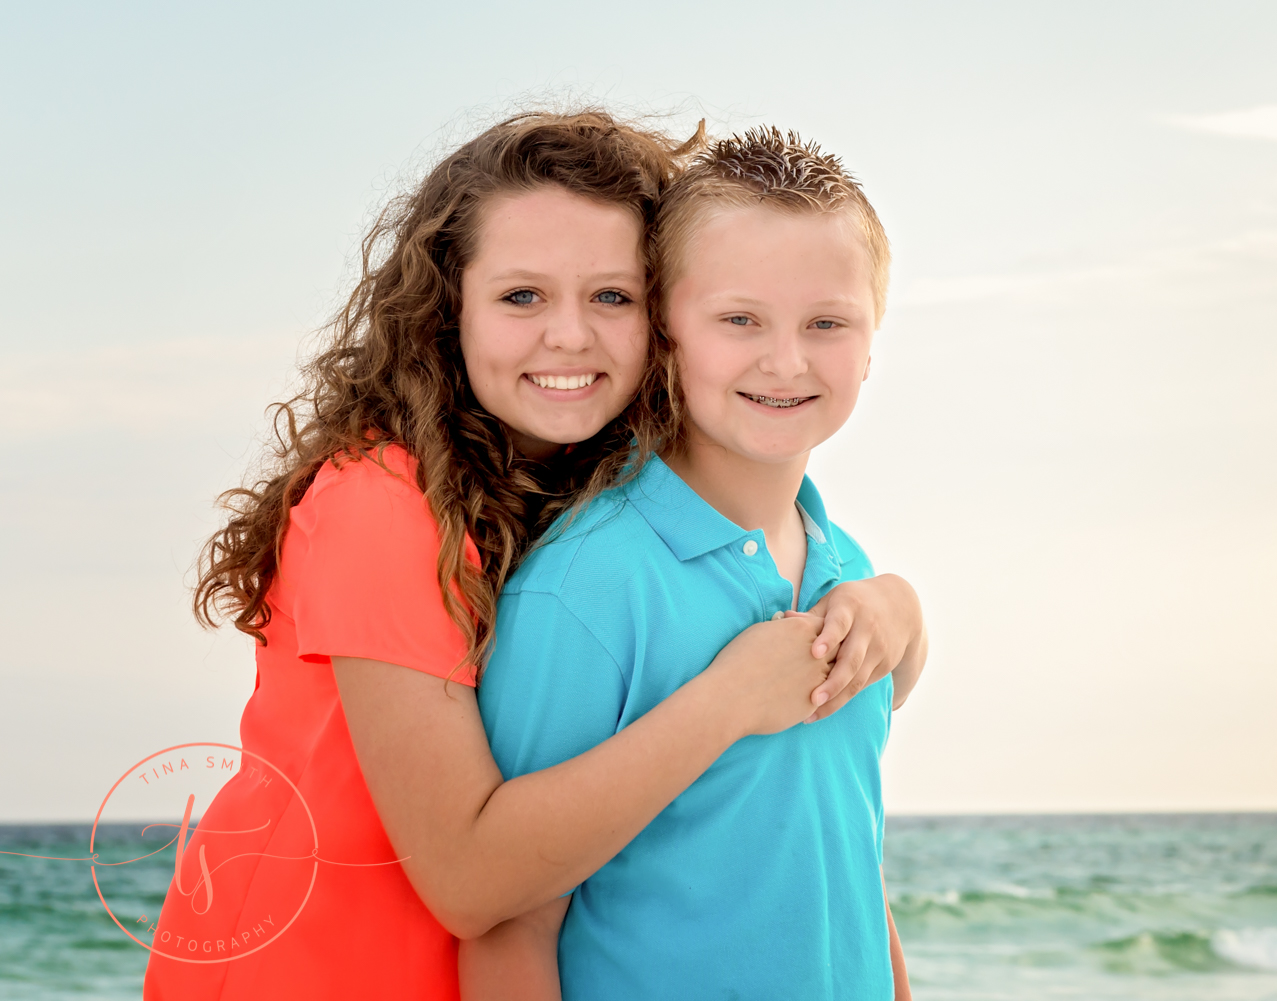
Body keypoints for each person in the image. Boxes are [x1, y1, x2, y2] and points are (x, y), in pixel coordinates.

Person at [143, 111, 928, 1001]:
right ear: (449, 312)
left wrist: (897, 610)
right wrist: (731, 699)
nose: (570, 336)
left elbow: (826, 782)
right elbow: (474, 882)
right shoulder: (381, 507)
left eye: (612, 296)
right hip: (317, 972)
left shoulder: (588, 490)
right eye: (522, 296)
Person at [470, 126, 915, 1000]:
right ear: (666, 330)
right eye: (739, 319)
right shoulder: (589, 587)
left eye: (827, 322)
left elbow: (847, 861)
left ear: (873, 342)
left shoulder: (846, 565)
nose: (785, 360)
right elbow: (510, 924)